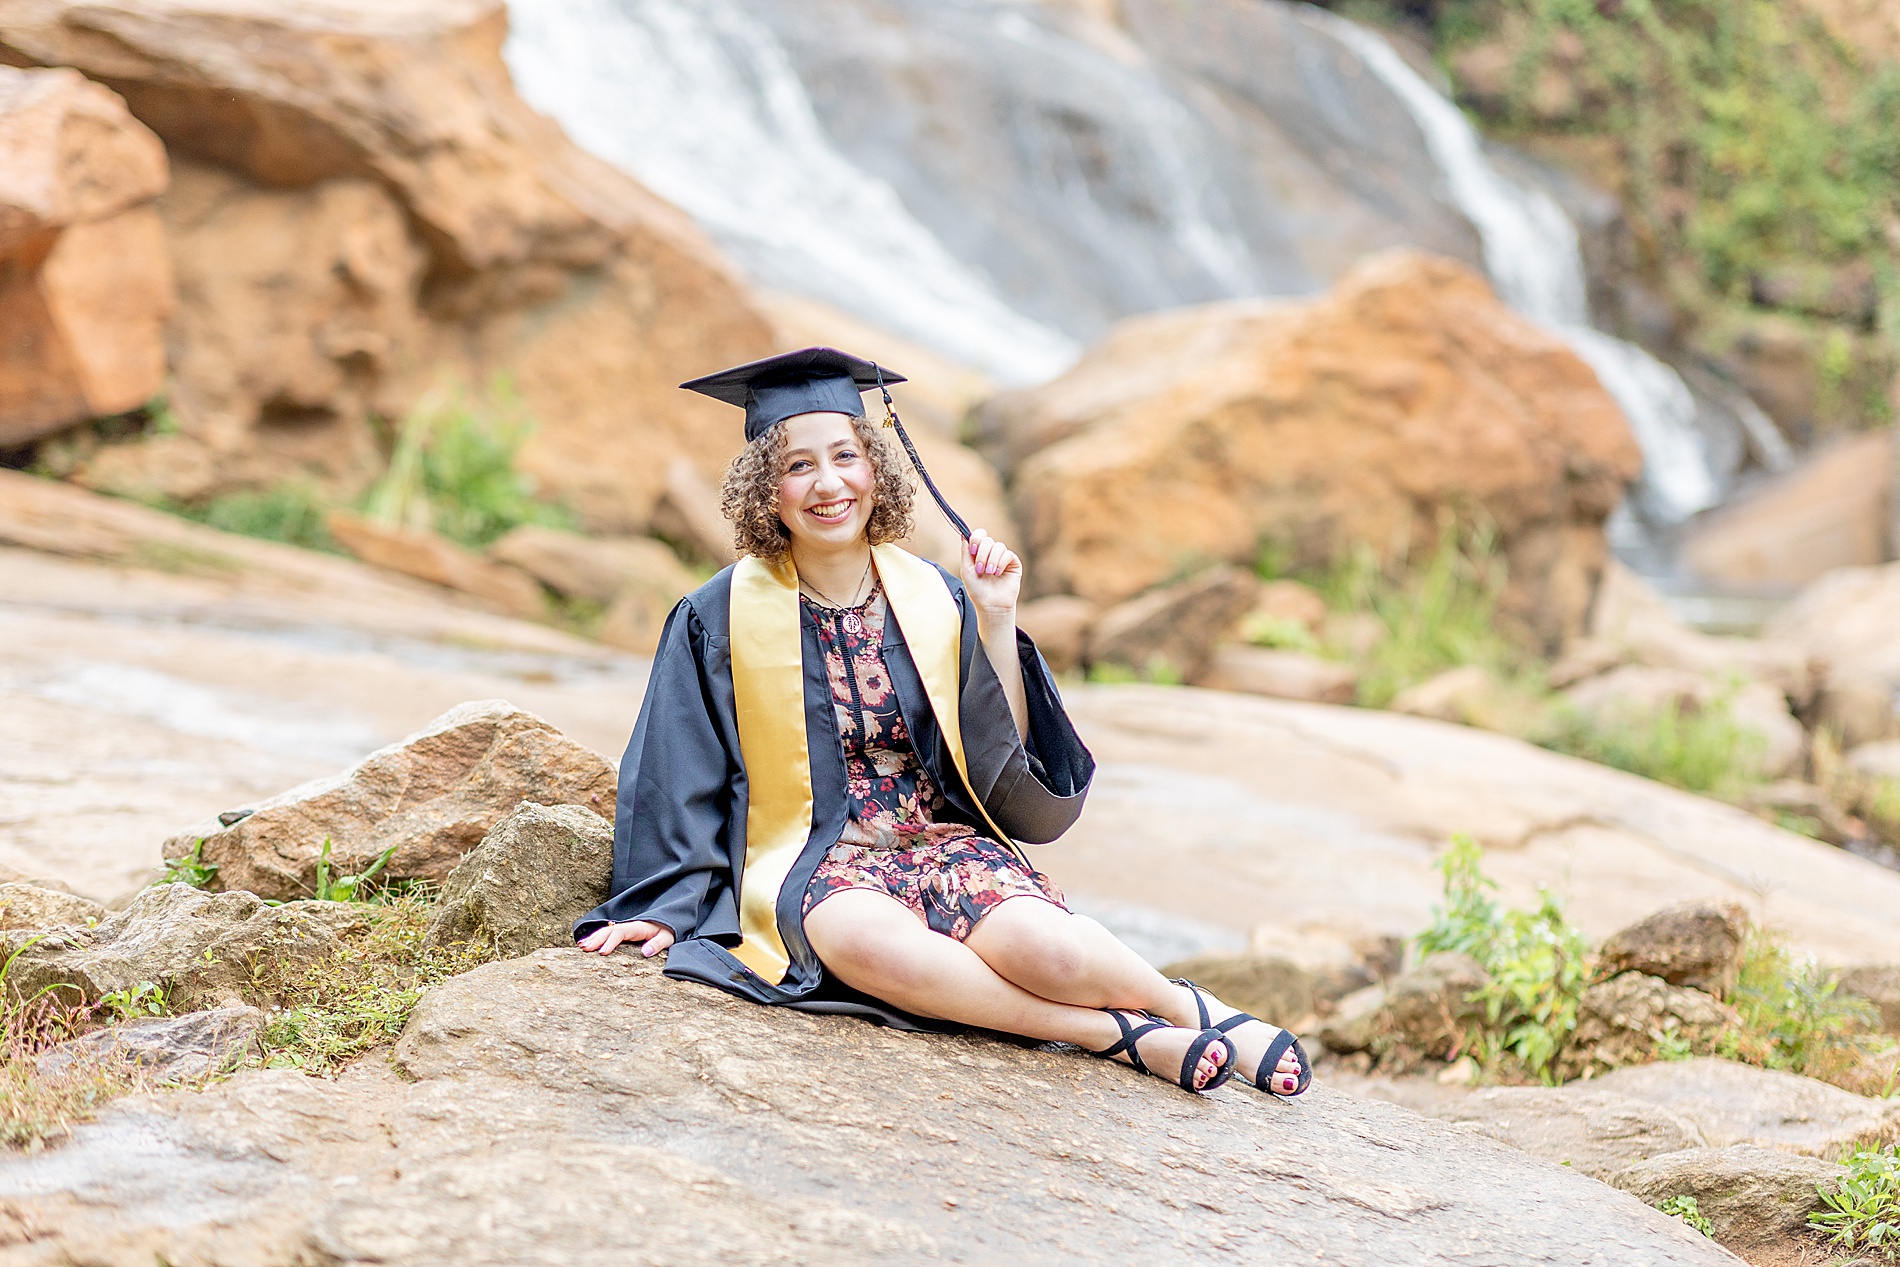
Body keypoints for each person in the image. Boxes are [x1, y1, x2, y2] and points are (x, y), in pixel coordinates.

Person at [574, 347, 1310, 1098]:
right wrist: (666, 904)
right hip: (816, 858)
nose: (827, 484)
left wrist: (996, 617)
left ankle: (1195, 1008)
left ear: (876, 469)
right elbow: (678, 767)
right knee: (865, 943)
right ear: (766, 488)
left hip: (941, 843)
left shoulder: (932, 597)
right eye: (798, 466)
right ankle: (1114, 1034)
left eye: (844, 456)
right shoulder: (718, 615)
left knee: (1049, 950)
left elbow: (1001, 760)